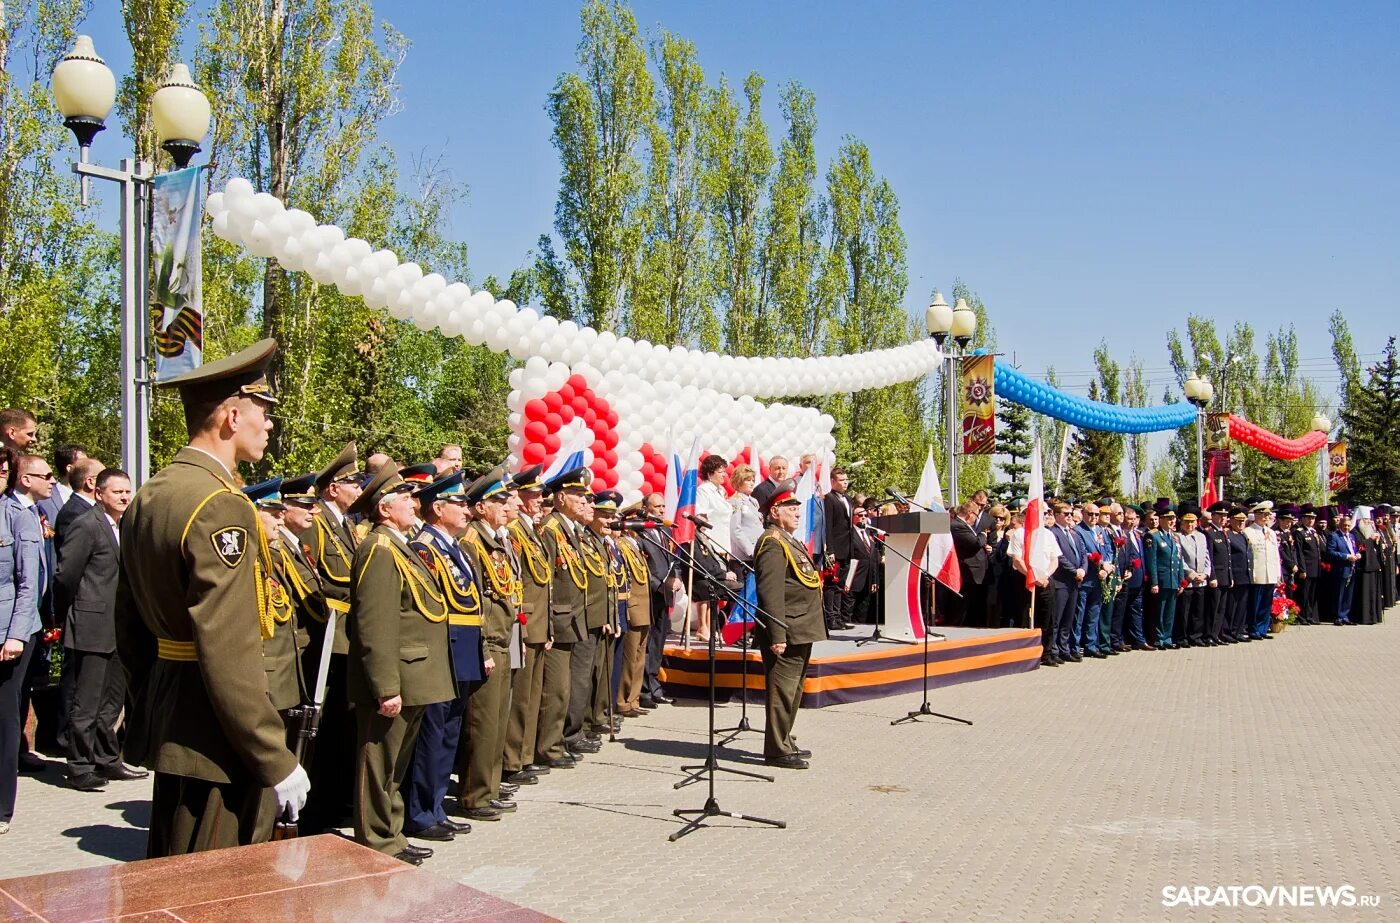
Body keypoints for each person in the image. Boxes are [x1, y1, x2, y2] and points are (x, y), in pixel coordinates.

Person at [114, 340, 308, 856]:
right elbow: (228, 649)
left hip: (176, 722)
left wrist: (152, 707)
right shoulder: (221, 505)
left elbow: (129, 629)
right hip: (221, 739)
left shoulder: (152, 494)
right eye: (262, 413)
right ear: (231, 415)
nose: (268, 425)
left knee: (174, 880)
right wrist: (273, 755)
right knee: (220, 887)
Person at [346, 459, 454, 865]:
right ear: (384, 508)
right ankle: (376, 840)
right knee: (379, 763)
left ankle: (391, 834)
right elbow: (375, 625)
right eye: (406, 498)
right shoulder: (378, 549)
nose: (414, 503)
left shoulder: (397, 546)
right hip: (395, 680)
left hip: (414, 675)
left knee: (395, 765)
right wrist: (385, 686)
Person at [398, 469, 479, 843]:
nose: (467, 509)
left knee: (448, 734)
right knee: (431, 735)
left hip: (462, 651)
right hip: (442, 651)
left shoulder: (454, 548)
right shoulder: (425, 549)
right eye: (459, 503)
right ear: (437, 508)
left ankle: (436, 807)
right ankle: (419, 812)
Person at [53, 467, 143, 792]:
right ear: (99, 493)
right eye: (117, 491)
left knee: (113, 700)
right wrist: (65, 614)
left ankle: (107, 758)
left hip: (118, 628)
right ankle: (79, 767)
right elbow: (66, 576)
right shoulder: (86, 525)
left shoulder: (121, 527)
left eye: (127, 491)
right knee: (87, 702)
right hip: (91, 626)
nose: (124, 497)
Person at [296, 441, 362, 834]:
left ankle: (336, 800)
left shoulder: (347, 525)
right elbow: (313, 581)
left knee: (343, 724)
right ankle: (318, 808)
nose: (358, 488)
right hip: (328, 638)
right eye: (352, 482)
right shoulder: (318, 524)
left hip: (347, 636)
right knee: (326, 724)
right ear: (333, 488)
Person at [458, 467, 522, 822]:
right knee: (481, 725)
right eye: (496, 501)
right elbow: (475, 601)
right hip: (488, 641)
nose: (504, 505)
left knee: (497, 722)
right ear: (480, 507)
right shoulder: (472, 542)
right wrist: (481, 649)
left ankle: (490, 787)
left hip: (504, 636)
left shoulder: (495, 540)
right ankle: (475, 794)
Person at [753, 480, 824, 769]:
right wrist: (777, 633)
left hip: (802, 626)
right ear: (773, 512)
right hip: (787, 629)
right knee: (782, 691)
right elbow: (771, 594)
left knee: (793, 690)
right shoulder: (771, 543)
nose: (796, 512)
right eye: (789, 507)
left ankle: (785, 739)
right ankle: (777, 750)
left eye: (797, 507)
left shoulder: (787, 540)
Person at [536, 467, 591, 769]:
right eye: (577, 495)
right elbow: (546, 580)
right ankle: (548, 747)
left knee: (564, 688)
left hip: (571, 617)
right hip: (557, 619)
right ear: (560, 498)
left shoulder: (568, 529)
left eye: (584, 496)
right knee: (555, 689)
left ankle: (555, 743)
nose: (583, 501)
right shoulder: (550, 529)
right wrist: (549, 623)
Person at [502, 465, 553, 785]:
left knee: (532, 696)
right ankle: (511, 760)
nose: (536, 500)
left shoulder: (529, 530)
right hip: (524, 621)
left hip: (537, 621)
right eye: (532, 495)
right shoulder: (518, 532)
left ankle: (524, 755)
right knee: (519, 698)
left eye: (538, 495)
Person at [1, 446, 40, 835]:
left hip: (9, 633)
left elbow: (28, 584)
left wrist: (15, 635)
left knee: (5, 715)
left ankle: (2, 808)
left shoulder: (18, 517)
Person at [638, 491, 675, 709]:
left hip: (666, 594)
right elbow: (643, 568)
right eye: (657, 507)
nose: (661, 510)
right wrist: (659, 585)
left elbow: (674, 561)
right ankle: (644, 689)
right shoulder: (642, 532)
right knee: (648, 642)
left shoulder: (665, 530)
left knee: (660, 640)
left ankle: (655, 685)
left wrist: (675, 579)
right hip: (651, 594)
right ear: (647, 509)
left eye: (663, 506)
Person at [615, 502, 653, 716]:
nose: (642, 526)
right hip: (633, 608)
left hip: (643, 609)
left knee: (639, 658)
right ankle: (622, 700)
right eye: (638, 521)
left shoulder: (636, 545)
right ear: (628, 524)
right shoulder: (622, 545)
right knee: (630, 658)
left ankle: (633, 699)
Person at [1047, 502, 1086, 662]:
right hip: (1061, 581)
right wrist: (1074, 571)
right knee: (1057, 619)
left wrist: (1083, 569)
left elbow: (1083, 553)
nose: (1070, 516)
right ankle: (1053, 650)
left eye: (1071, 513)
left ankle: (1065, 648)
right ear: (1056, 515)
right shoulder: (1053, 533)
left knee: (1068, 619)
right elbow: (1059, 557)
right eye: (1066, 513)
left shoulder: (1073, 533)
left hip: (1074, 582)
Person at [822, 467, 856, 631]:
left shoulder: (848, 499)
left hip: (847, 548)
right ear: (833, 482)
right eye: (841, 480)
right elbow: (828, 525)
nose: (845, 483)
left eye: (846, 480)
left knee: (841, 585)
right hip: (835, 547)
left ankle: (839, 617)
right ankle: (830, 618)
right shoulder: (829, 499)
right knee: (831, 584)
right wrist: (830, 549)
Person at [1073, 502, 1109, 656]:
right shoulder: (1078, 531)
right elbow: (1084, 553)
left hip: (1099, 578)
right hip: (1086, 578)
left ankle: (1091, 645)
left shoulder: (1101, 530)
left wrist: (1107, 566)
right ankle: (1074, 647)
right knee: (1080, 614)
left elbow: (1108, 550)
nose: (1094, 517)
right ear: (1083, 514)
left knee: (1094, 614)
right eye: (1090, 514)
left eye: (1096, 514)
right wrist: (1101, 565)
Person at [1146, 506, 1184, 649]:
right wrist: (1154, 582)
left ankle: (1167, 638)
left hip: (1173, 579)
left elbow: (1179, 560)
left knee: (1170, 612)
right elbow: (1152, 561)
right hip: (1162, 580)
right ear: (1161, 519)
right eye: (1169, 519)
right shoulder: (1153, 536)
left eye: (1173, 519)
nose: (1172, 521)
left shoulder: (1174, 536)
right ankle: (1158, 639)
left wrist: (1181, 581)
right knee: (1159, 611)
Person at [1244, 501, 1281, 639]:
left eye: (1267, 515)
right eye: (1263, 515)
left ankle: (1263, 628)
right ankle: (1253, 629)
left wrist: (1278, 574)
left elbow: (1276, 555)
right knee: (1255, 603)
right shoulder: (1248, 532)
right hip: (1257, 573)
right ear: (1256, 515)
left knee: (1266, 603)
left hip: (1270, 573)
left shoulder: (1271, 532)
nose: (1265, 518)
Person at [1177, 510, 1212, 647]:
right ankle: (1182, 637)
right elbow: (1179, 558)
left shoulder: (1201, 536)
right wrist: (1191, 574)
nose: (1190, 525)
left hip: (1201, 580)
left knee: (1198, 611)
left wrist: (1205, 573)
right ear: (1182, 523)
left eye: (1192, 522)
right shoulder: (1178, 537)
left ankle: (1196, 636)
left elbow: (1207, 557)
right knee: (1184, 612)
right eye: (1187, 522)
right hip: (1188, 581)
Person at [1115, 505, 1147, 650]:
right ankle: (1119, 639)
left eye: (1134, 519)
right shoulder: (1122, 534)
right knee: (1121, 611)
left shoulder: (1138, 534)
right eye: (1129, 519)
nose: (1131, 522)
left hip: (1139, 579)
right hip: (1127, 578)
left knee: (1136, 610)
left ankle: (1138, 639)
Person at [1203, 502, 1233, 644]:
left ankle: (1216, 635)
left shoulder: (1223, 533)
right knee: (1212, 609)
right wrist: (1212, 576)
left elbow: (1228, 558)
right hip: (1216, 578)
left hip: (1225, 577)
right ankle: (1208, 635)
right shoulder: (1209, 533)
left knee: (1221, 609)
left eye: (1225, 516)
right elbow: (1210, 558)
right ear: (1213, 516)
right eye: (1220, 516)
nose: (1223, 518)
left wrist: (1230, 577)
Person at [1293, 505, 1324, 624]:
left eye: (1313, 518)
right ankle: (1301, 616)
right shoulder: (1299, 532)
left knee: (1312, 594)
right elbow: (1300, 552)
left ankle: (1310, 616)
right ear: (1303, 519)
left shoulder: (1314, 532)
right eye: (1308, 518)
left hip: (1315, 568)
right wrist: (1302, 569)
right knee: (1303, 594)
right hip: (1306, 568)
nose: (1311, 520)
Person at [1226, 508, 1253, 641]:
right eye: (1238, 521)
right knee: (1232, 606)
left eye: (1243, 521)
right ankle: (1229, 631)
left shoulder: (1244, 535)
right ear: (1231, 520)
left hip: (1246, 575)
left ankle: (1238, 631)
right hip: (1235, 576)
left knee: (1242, 607)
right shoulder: (1229, 535)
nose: (1241, 523)